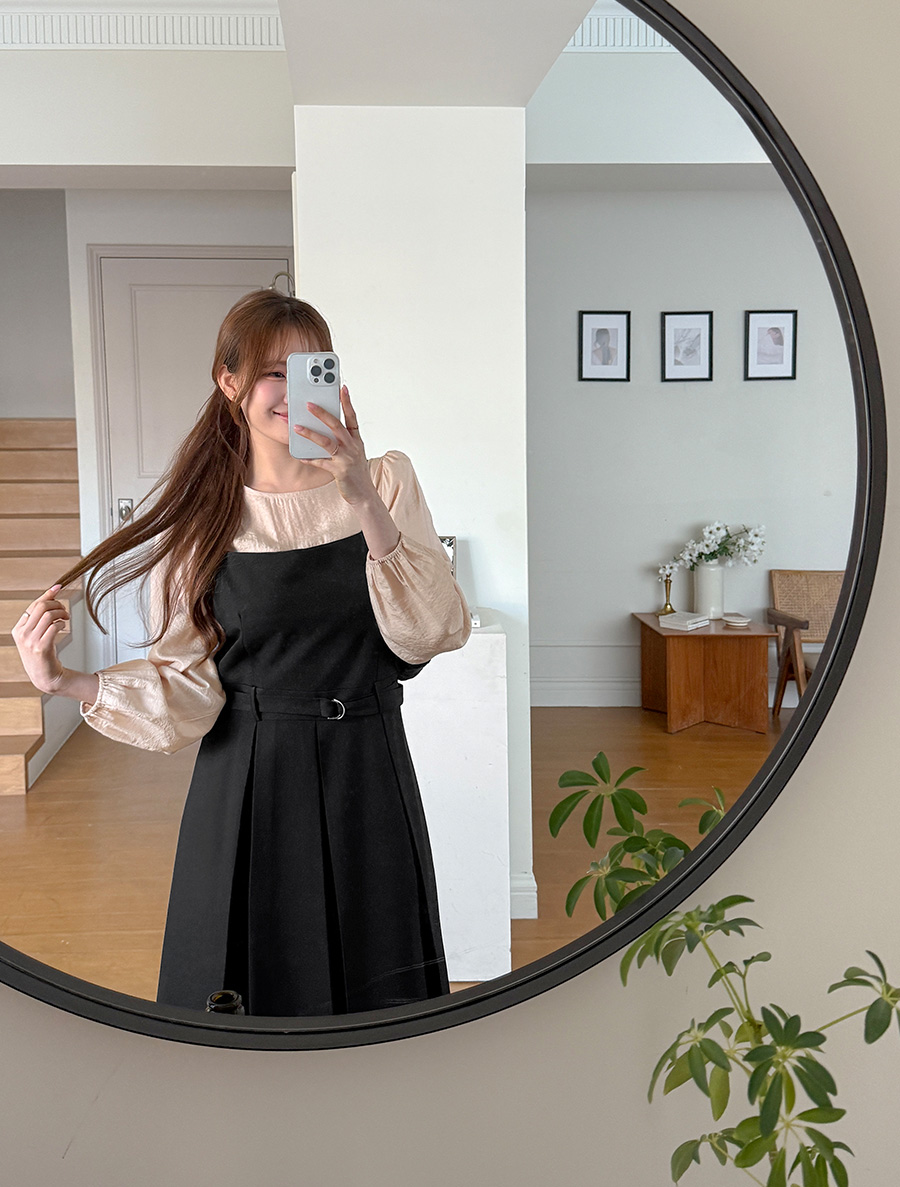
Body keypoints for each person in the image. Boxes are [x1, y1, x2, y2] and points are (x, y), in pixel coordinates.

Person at [11, 289, 471, 1018]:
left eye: (311, 368)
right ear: (228, 382)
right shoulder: (204, 523)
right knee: (253, 996)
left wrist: (360, 496)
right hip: (252, 779)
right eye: (272, 373)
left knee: (379, 991)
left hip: (369, 766)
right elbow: (187, 693)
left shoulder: (385, 480)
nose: (292, 390)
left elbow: (432, 630)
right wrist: (65, 680)